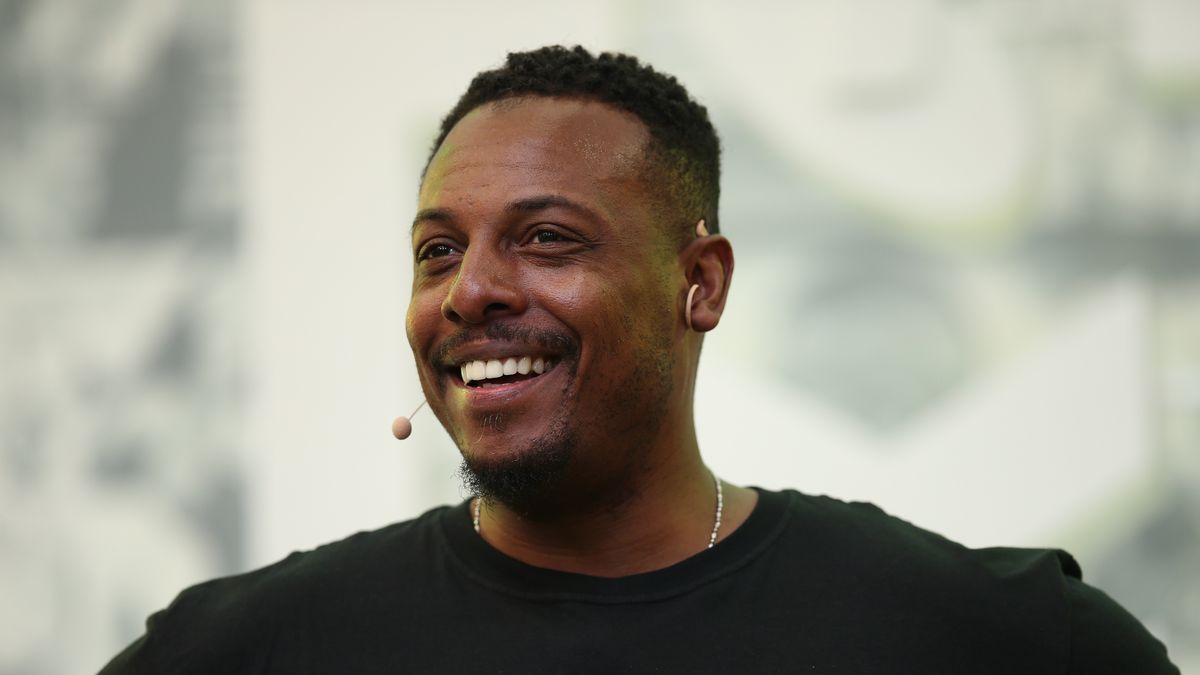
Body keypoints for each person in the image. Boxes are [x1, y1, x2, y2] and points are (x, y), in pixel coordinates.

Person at [101, 45, 1178, 674]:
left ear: (698, 283)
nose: (470, 290)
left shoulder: (972, 639)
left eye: (546, 238)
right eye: (438, 252)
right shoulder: (253, 652)